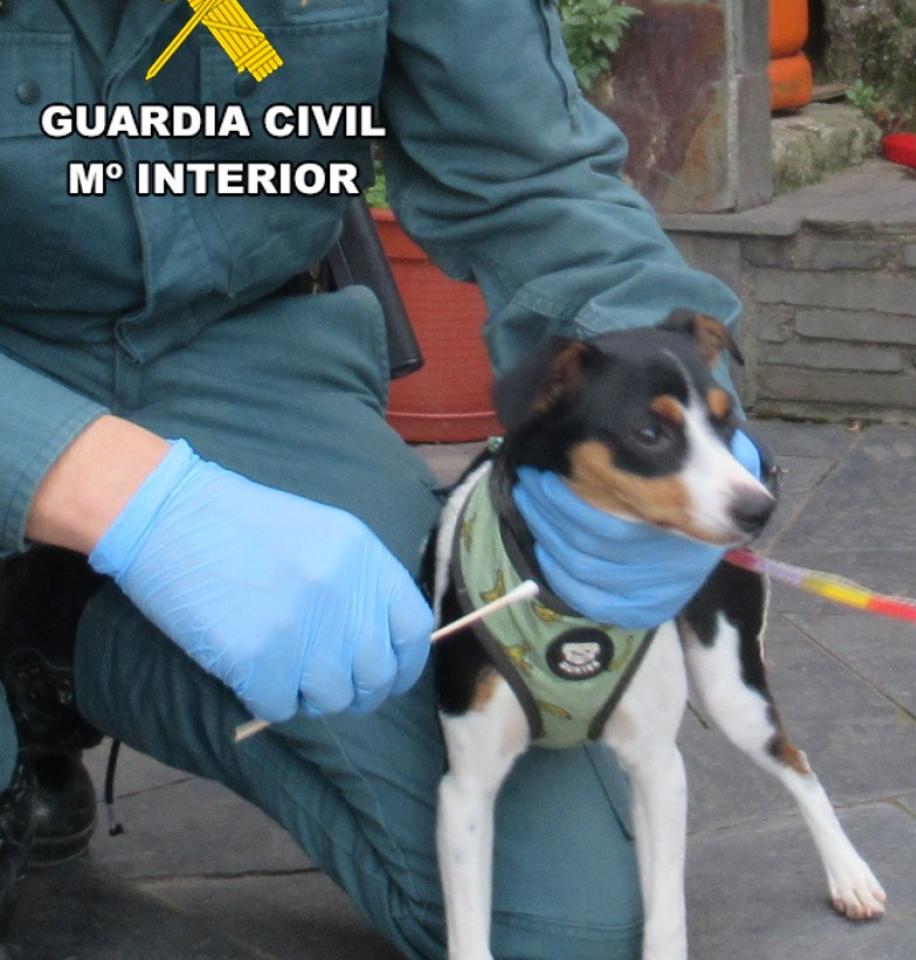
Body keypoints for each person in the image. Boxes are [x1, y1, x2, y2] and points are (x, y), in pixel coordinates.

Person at [0, 2, 757, 957]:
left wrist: (681, 399)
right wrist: (130, 499)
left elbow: (530, 179)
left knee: (564, 932)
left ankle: (56, 639)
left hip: (241, 353)